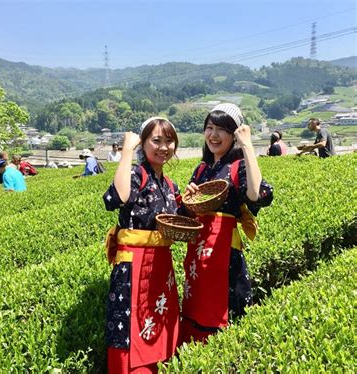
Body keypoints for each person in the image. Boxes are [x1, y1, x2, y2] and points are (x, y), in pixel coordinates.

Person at [181, 103, 273, 345]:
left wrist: (248, 147)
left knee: (227, 315)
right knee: (196, 312)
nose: (213, 135)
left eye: (221, 129)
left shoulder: (238, 166)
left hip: (224, 254)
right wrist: (188, 198)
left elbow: (256, 194)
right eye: (209, 128)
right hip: (198, 255)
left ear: (234, 134)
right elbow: (187, 215)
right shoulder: (201, 170)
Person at [103, 117, 183, 373]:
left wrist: (189, 201)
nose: (164, 147)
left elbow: (178, 220)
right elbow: (117, 198)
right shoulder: (137, 174)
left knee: (159, 324)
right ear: (144, 143)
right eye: (156, 140)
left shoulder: (170, 185)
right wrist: (127, 151)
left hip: (161, 268)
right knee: (130, 330)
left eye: (169, 141)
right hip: (133, 267)